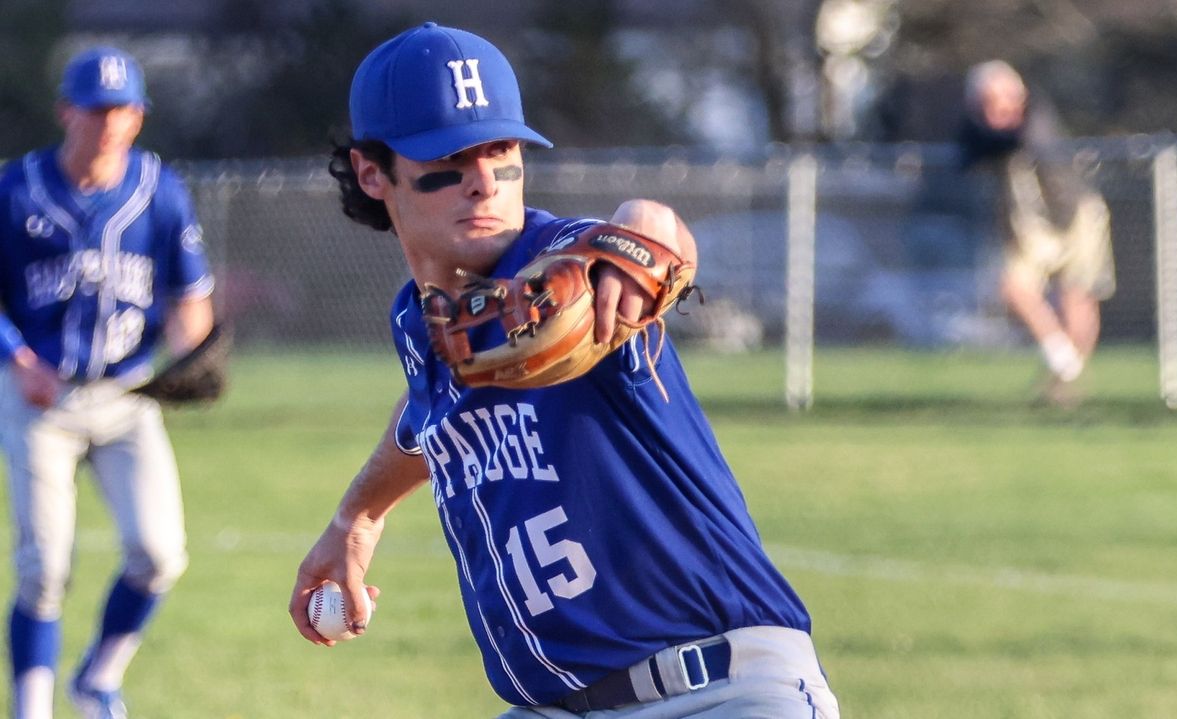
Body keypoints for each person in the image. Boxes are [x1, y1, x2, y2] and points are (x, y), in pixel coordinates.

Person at [288, 22, 839, 719]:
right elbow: (427, 419)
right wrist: (358, 515)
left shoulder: (564, 274)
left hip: (716, 692)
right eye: (451, 157)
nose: (485, 181)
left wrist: (643, 228)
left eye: (502, 148)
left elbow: (653, 238)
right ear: (374, 173)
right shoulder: (422, 324)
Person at [0, 47, 215, 719]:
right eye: (93, 109)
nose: (105, 123)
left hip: (127, 396)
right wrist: (16, 356)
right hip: (41, 396)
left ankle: (97, 678)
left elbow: (190, 297)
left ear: (139, 117)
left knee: (159, 553)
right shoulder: (16, 189)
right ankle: (32, 707)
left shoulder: (159, 191)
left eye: (120, 110)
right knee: (45, 566)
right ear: (66, 112)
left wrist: (194, 352)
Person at [958, 60, 1115, 405]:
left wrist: (995, 129)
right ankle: (1061, 355)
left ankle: (1064, 388)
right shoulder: (976, 132)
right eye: (988, 101)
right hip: (1027, 226)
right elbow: (968, 155)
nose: (999, 107)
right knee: (1012, 288)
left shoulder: (1037, 116)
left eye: (1005, 97)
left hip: (1073, 216)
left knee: (1077, 296)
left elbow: (1023, 140)